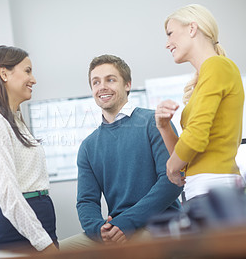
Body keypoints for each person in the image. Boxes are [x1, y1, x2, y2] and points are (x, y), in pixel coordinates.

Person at [61, 54, 182, 250]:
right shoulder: (88, 146)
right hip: (115, 230)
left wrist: (125, 223)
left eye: (110, 79)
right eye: (96, 82)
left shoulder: (155, 123)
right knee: (56, 252)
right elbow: (86, 202)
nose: (102, 87)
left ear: (127, 84)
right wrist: (99, 230)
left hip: (159, 224)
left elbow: (171, 183)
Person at [0, 45, 59, 253]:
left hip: (36, 219)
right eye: (27, 71)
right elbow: (7, 193)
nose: (34, 79)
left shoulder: (14, 121)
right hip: (19, 230)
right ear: (4, 74)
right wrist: (44, 243)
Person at [155, 4, 245, 202]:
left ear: (192, 28)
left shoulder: (217, 65)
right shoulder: (207, 74)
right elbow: (187, 156)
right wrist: (163, 126)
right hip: (201, 190)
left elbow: (196, 136)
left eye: (170, 33)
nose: (167, 43)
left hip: (215, 189)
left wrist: (171, 167)